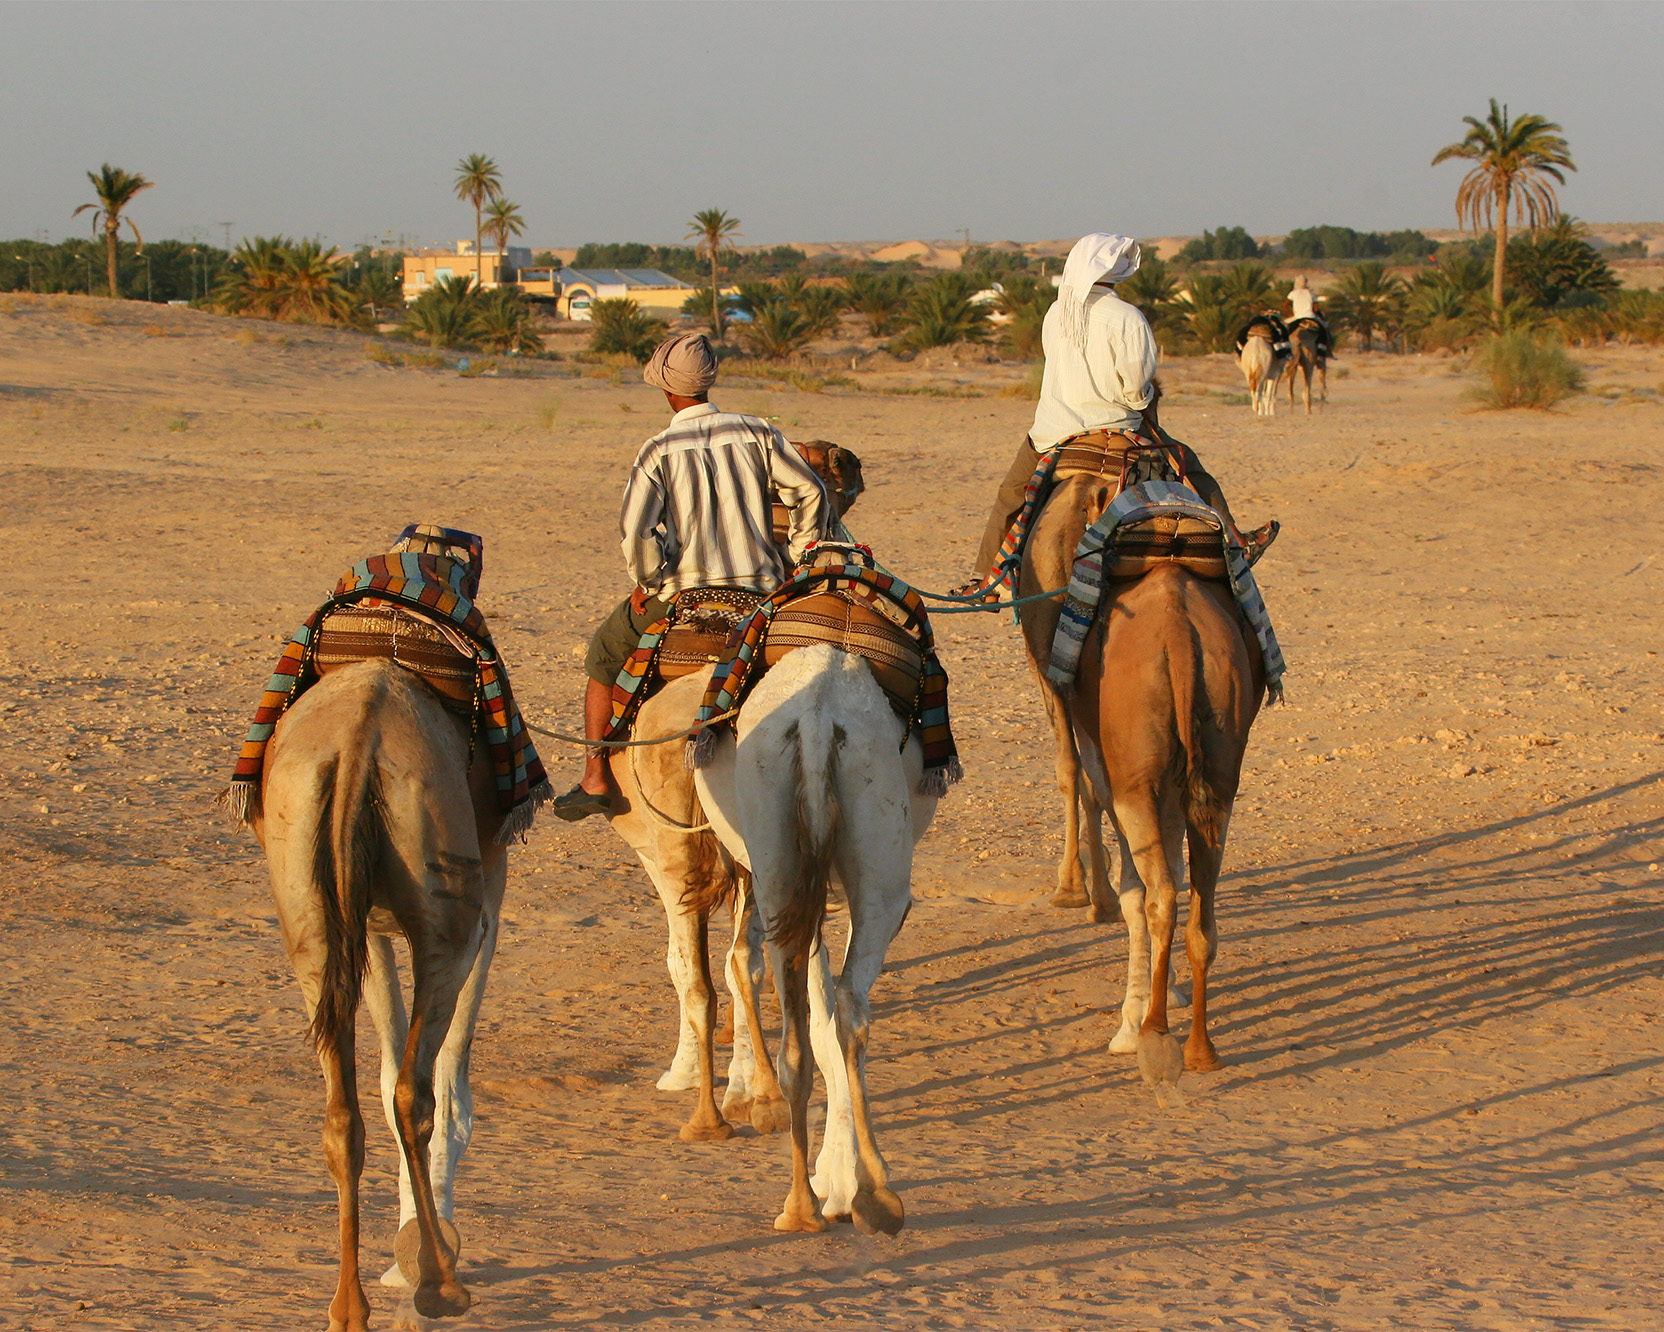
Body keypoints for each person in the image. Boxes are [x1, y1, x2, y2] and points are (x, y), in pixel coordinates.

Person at [552, 332, 833, 820]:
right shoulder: (758, 432)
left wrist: (650, 582)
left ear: (666, 389)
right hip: (763, 589)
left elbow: (637, 530)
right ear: (708, 381)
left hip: (685, 593)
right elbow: (810, 492)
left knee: (603, 656)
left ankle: (595, 775)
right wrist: (802, 555)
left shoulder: (657, 450)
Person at [959, 233, 1249, 594]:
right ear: (1119, 271)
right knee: (1191, 468)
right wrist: (1146, 397)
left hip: (1053, 432)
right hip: (1121, 429)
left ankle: (986, 577)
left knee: (1011, 494)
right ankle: (1236, 544)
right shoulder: (1128, 317)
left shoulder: (1057, 313)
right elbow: (1135, 389)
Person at [1284, 274, 1335, 358]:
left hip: (1297, 318)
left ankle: (1284, 351)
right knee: (1324, 330)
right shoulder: (1311, 293)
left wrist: (1291, 314)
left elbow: (1285, 305)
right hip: (1310, 316)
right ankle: (1325, 351)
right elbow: (1316, 309)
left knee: (1284, 332)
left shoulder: (1293, 293)